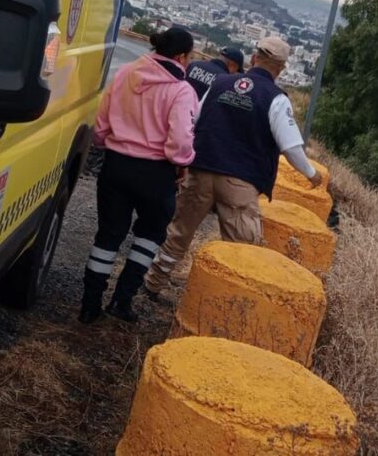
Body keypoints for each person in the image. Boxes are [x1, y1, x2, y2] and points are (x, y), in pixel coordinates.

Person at [143, 36, 324, 299]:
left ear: (253, 59)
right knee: (242, 249)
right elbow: (291, 146)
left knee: (179, 231)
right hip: (240, 182)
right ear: (281, 68)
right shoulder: (276, 99)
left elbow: (197, 118)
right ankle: (222, 301)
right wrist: (312, 174)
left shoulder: (220, 83)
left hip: (202, 168)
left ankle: (153, 282)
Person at [81, 26, 199, 324]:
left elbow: (102, 125)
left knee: (108, 234)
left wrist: (108, 142)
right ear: (182, 56)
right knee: (150, 235)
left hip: (116, 166)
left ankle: (89, 304)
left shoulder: (125, 73)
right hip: (156, 174)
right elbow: (181, 142)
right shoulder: (181, 90)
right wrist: (182, 163)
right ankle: (122, 300)